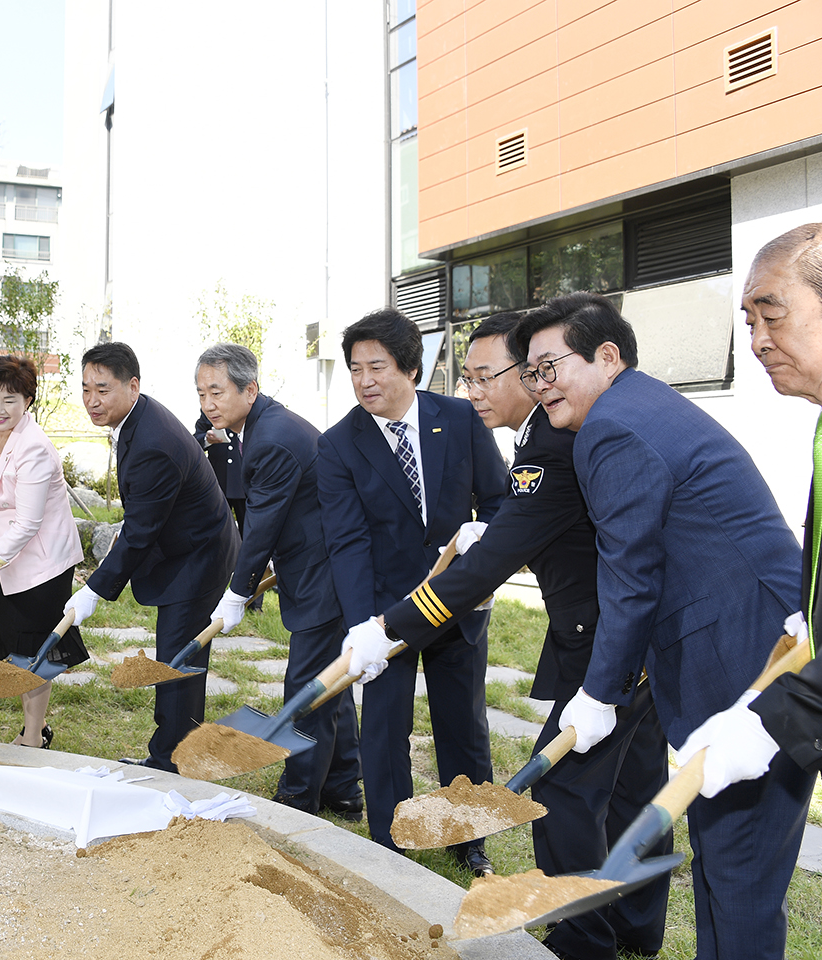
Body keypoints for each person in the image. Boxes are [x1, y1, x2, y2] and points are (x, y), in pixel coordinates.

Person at [514, 292, 813, 959]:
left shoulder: (612, 428)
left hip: (750, 659)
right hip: (736, 642)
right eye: (530, 374)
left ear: (607, 355)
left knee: (738, 865)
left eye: (550, 366)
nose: (540, 386)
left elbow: (631, 573)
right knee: (721, 850)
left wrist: (598, 694)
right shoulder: (636, 409)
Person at [365, 313, 669, 957]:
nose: (472, 390)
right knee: (636, 781)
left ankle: (583, 936)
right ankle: (638, 925)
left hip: (605, 642)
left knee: (564, 790)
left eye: (485, 377)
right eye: (465, 377)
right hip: (638, 633)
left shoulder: (550, 444)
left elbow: (487, 566)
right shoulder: (551, 435)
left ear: (531, 376)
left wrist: (390, 627)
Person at [684, 223, 822, 960]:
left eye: (773, 314)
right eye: (748, 323)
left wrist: (771, 727)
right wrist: (811, 621)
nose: (758, 340)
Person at [317, 307, 506, 871]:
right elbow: (347, 543)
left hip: (457, 601)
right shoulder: (338, 445)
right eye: (355, 368)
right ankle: (391, 837)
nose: (365, 380)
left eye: (377, 366)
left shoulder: (461, 418)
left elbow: (497, 499)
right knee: (383, 725)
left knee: (463, 724)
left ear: (411, 369)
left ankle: (466, 834)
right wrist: (361, 626)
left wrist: (484, 543)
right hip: (386, 612)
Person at [195, 344, 363, 819]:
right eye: (202, 393)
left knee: (306, 689)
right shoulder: (258, 426)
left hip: (323, 571)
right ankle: (343, 788)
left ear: (250, 389)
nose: (208, 404)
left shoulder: (270, 438)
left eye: (217, 392)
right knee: (331, 683)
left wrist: (237, 591)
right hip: (318, 562)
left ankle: (297, 797)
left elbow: (263, 524)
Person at [67, 342, 240, 771]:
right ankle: (174, 753)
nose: (92, 400)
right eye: (86, 388)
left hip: (198, 557)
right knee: (176, 658)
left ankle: (173, 762)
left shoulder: (151, 443)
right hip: (186, 545)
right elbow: (143, 514)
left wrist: (94, 589)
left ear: (133, 386)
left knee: (177, 663)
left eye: (103, 389)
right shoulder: (137, 418)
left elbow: (140, 532)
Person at [0, 355, 88, 749]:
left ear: (28, 400)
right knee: (17, 648)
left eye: (10, 400)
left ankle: (34, 736)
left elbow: (29, 522)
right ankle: (35, 728)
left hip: (42, 562)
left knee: (35, 652)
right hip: (12, 552)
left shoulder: (35, 448)